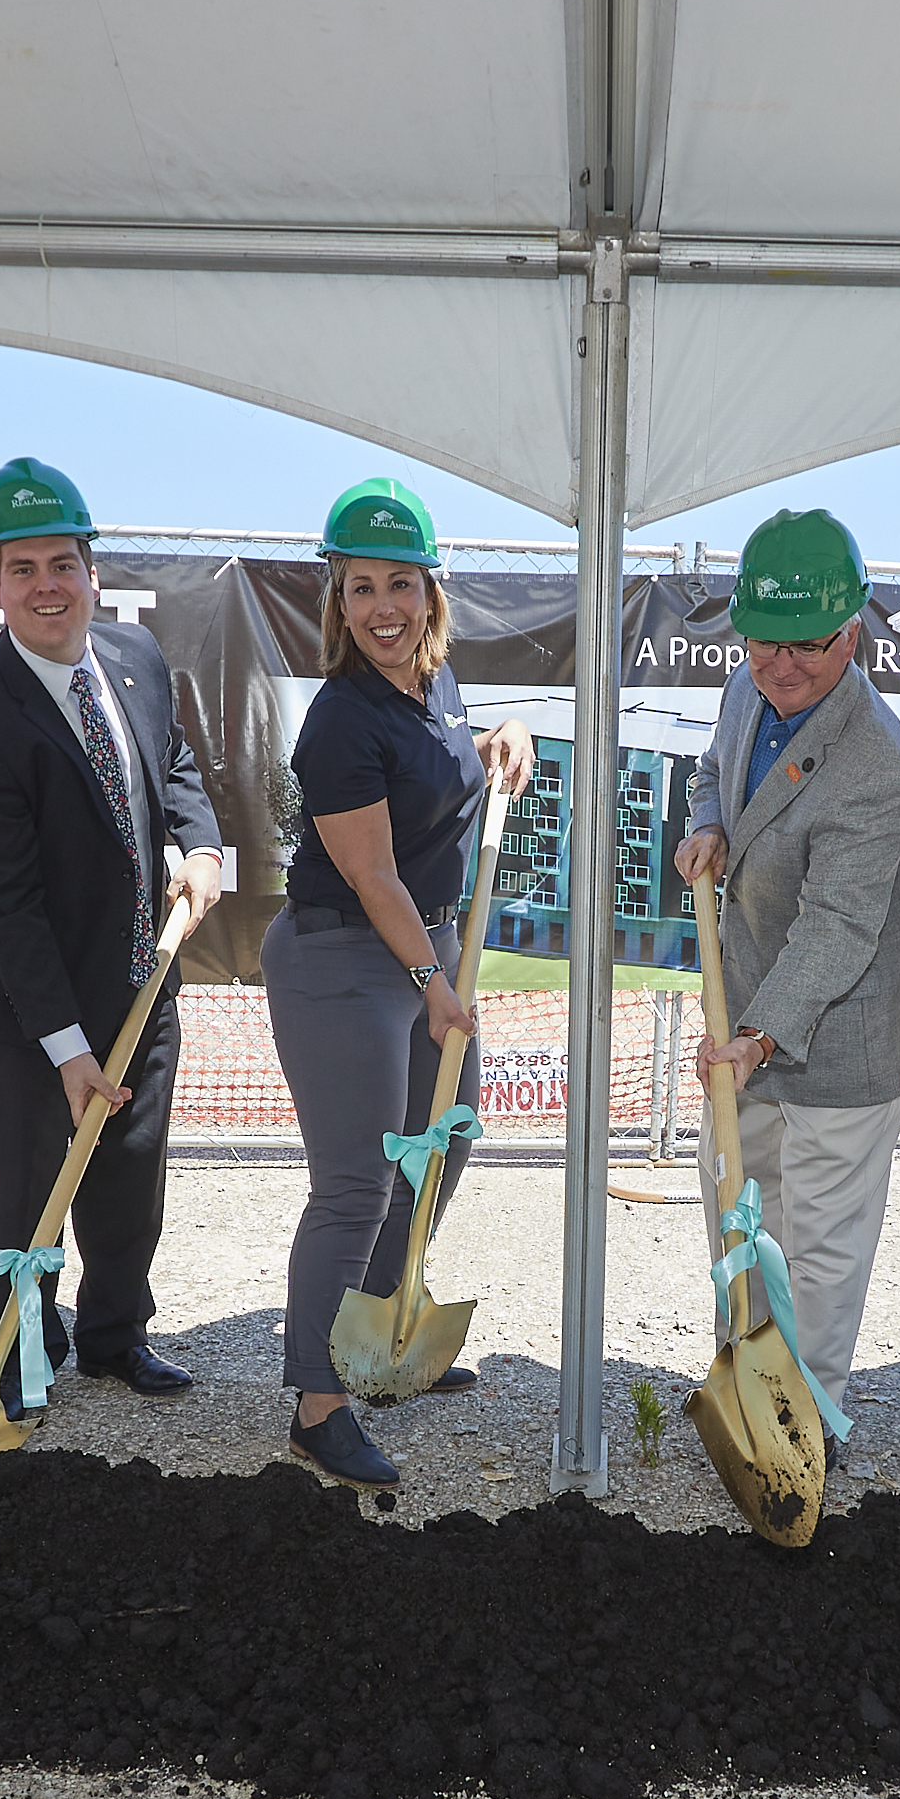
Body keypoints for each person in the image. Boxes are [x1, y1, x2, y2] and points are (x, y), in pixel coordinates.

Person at [0, 456, 227, 1411]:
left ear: (93, 572)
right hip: (29, 1007)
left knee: (130, 1175)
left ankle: (115, 1336)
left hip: (141, 978)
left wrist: (201, 848)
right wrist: (66, 1048)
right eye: (23, 569)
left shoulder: (134, 658)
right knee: (29, 1184)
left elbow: (174, 764)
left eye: (63, 564)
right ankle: (20, 1349)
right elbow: (4, 901)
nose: (46, 586)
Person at [263, 479, 533, 1487]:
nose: (383, 608)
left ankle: (372, 1334)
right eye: (361, 587)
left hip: (423, 950)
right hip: (343, 957)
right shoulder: (339, 720)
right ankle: (318, 1405)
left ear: (431, 591)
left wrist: (500, 734)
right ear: (338, 601)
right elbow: (373, 874)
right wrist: (433, 980)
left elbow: (442, 759)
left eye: (400, 584)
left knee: (444, 1143)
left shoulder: (436, 682)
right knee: (356, 1183)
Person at [676, 506, 900, 1443]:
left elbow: (837, 928)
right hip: (748, 1005)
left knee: (820, 1248)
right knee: (741, 1214)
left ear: (851, 635)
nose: (782, 667)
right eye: (764, 644)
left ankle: (805, 1428)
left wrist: (756, 1038)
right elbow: (713, 769)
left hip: (845, 1030)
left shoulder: (876, 762)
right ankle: (745, 1388)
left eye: (809, 647)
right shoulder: (747, 691)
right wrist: (709, 822)